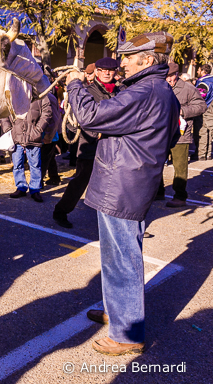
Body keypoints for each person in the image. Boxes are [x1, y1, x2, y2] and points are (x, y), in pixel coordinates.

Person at [66, 32, 180, 356]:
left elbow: (89, 117)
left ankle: (127, 333)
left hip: (123, 186)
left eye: (128, 57)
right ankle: (118, 314)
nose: (122, 63)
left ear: (145, 59)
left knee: (121, 260)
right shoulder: (164, 92)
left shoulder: (145, 91)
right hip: (134, 183)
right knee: (119, 256)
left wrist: (75, 83)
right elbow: (171, 136)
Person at [53, 57, 120, 228]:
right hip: (91, 145)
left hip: (114, 147)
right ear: (96, 72)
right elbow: (75, 120)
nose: (106, 73)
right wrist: (96, 131)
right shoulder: (87, 91)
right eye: (103, 69)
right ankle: (61, 211)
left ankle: (114, 221)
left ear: (115, 72)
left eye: (110, 70)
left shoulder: (121, 92)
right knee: (81, 180)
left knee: (113, 184)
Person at [159, 62, 206, 207]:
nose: (167, 79)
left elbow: (201, 106)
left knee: (180, 168)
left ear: (176, 75)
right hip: (161, 133)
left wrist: (182, 111)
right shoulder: (160, 86)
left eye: (170, 76)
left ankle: (180, 196)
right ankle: (157, 192)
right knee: (157, 164)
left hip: (181, 134)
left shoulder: (188, 88)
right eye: (165, 76)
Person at [6, 94, 53, 202]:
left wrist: (38, 130)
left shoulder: (41, 94)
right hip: (16, 136)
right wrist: (8, 130)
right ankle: (21, 187)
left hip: (33, 137)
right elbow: (5, 112)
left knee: (35, 165)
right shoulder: (14, 91)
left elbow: (47, 112)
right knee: (17, 164)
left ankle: (35, 189)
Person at [195, 64, 213, 160]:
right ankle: (208, 153)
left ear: (203, 71)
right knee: (209, 131)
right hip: (210, 107)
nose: (197, 72)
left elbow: (199, 96)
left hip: (205, 107)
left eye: (198, 70)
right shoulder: (211, 80)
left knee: (202, 130)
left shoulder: (204, 82)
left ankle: (201, 153)